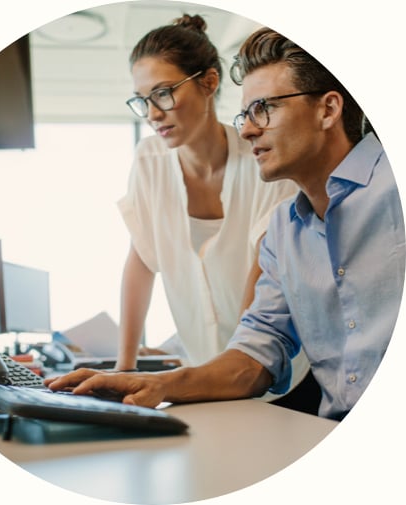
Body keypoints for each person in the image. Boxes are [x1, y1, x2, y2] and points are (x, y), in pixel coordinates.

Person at [45, 25, 405, 422]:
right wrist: (150, 381)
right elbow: (255, 354)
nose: (249, 128)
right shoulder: (285, 230)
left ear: (328, 109)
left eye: (264, 108)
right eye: (246, 114)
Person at [113, 15, 300, 379]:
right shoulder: (149, 161)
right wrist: (124, 367)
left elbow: (264, 273)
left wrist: (229, 372)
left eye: (164, 93)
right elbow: (141, 261)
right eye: (142, 100)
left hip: (273, 372)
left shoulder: (264, 161)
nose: (153, 113)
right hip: (202, 364)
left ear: (209, 82)